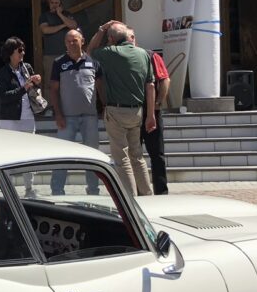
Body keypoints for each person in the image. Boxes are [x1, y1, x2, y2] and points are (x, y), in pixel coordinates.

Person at [88, 20, 156, 196]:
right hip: (138, 111)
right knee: (137, 156)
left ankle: (130, 198)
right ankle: (147, 194)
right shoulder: (144, 54)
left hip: (116, 110)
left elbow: (90, 50)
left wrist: (102, 28)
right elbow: (150, 86)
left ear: (111, 39)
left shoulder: (110, 52)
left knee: (122, 158)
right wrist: (151, 115)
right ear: (128, 36)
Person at [49, 28, 101, 195]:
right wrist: (57, 114)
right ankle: (57, 190)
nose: (72, 43)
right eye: (69, 41)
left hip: (90, 117)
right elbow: (53, 90)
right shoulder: (59, 63)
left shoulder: (93, 62)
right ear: (65, 43)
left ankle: (93, 190)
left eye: (75, 40)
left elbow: (100, 88)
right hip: (67, 118)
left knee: (92, 156)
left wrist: (105, 107)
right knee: (62, 155)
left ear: (82, 41)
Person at [127, 30, 171, 195]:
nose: (128, 40)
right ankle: (138, 191)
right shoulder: (119, 57)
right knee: (134, 155)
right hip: (131, 112)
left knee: (157, 154)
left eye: (131, 37)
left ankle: (161, 192)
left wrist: (158, 103)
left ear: (134, 38)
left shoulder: (151, 56)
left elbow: (165, 79)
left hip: (151, 110)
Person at [0, 36, 41, 134]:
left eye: (23, 50)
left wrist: (36, 82)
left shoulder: (27, 67)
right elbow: (3, 97)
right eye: (20, 50)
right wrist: (24, 88)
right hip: (9, 119)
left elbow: (34, 90)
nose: (23, 53)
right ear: (10, 52)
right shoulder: (2, 74)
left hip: (28, 117)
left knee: (29, 148)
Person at [38, 0, 77, 88]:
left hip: (67, 54)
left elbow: (73, 25)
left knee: (68, 81)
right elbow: (45, 30)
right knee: (50, 82)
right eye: (52, 3)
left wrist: (60, 14)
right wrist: (63, 25)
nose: (54, 5)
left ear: (60, 4)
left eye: (56, 3)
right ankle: (51, 103)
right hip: (51, 54)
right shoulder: (44, 16)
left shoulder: (67, 14)